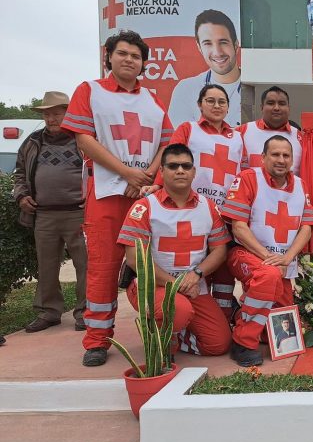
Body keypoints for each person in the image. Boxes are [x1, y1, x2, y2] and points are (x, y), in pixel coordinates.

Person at [62, 30, 173, 367]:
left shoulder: (152, 99)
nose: (129, 60)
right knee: (103, 267)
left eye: (136, 56)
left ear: (143, 64)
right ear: (108, 56)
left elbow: (166, 143)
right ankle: (97, 340)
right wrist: (126, 173)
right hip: (108, 194)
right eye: (122, 53)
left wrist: (146, 177)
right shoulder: (90, 91)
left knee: (154, 265)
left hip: (144, 195)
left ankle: (162, 333)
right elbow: (84, 139)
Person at [117, 143, 232, 357]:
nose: (180, 170)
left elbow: (219, 251)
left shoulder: (208, 207)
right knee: (179, 309)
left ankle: (178, 338)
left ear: (194, 171)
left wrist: (197, 274)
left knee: (218, 344)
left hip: (194, 285)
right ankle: (159, 334)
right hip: (154, 286)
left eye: (186, 166)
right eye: (173, 166)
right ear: (161, 171)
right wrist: (177, 284)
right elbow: (134, 259)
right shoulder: (145, 207)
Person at [220, 134, 313, 366]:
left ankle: (239, 315)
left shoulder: (300, 185)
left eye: (286, 155)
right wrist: (270, 259)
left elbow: (307, 227)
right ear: (263, 157)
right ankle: (243, 342)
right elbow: (239, 228)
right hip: (246, 254)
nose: (281, 160)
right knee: (268, 275)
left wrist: (287, 258)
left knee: (276, 329)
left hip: (282, 263)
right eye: (275, 154)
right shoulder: (248, 178)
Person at [148, 84, 243, 315]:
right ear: (200, 104)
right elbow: (172, 157)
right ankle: (185, 312)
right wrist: (158, 185)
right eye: (210, 100)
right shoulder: (188, 128)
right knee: (195, 259)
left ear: (229, 107)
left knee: (222, 268)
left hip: (226, 212)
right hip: (193, 209)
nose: (217, 105)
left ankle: (223, 315)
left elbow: (246, 172)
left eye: (222, 101)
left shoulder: (238, 137)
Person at [13, 91, 87, 333]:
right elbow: (20, 173)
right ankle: (49, 312)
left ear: (69, 113)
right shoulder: (33, 141)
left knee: (85, 265)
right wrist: (22, 195)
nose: (51, 118)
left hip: (79, 212)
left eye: (57, 113)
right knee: (46, 265)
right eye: (47, 114)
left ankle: (86, 312)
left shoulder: (83, 139)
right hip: (43, 214)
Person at [168, 9, 241, 127]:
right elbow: (183, 141)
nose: (217, 52)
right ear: (199, 48)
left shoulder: (253, 86)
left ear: (236, 45)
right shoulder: (186, 90)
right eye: (207, 43)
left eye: (223, 42)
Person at [238, 86, 302, 175]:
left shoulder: (301, 138)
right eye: (271, 103)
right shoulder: (241, 132)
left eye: (282, 103)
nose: (276, 108)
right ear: (262, 107)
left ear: (289, 108)